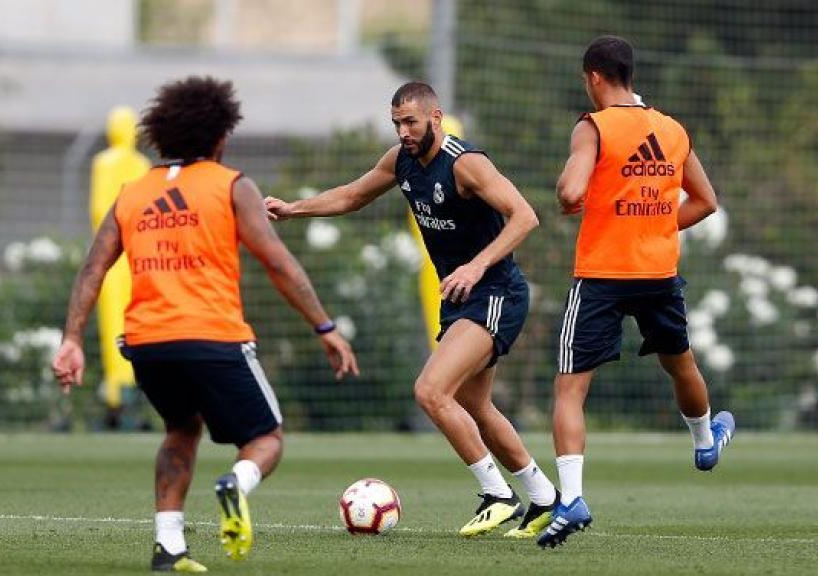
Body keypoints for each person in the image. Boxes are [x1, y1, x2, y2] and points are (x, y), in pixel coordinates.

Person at [51, 76, 358, 572]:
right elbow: (277, 262)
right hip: (214, 338)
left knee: (180, 429)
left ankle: (169, 546)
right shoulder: (231, 186)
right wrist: (325, 328)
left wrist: (71, 339)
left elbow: (93, 268)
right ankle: (235, 484)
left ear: (159, 134)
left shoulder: (132, 194)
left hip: (147, 344)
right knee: (266, 440)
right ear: (220, 135)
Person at [265, 81, 560, 538]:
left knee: (430, 391)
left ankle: (498, 494)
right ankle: (544, 498)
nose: (403, 131)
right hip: (462, 298)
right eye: (397, 123)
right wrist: (293, 209)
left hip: (496, 291)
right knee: (475, 405)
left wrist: (476, 266)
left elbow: (526, 216)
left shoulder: (466, 164)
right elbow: (351, 195)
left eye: (411, 122)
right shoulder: (400, 161)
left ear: (436, 118)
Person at [536, 36, 735, 549]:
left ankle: (573, 497)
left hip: (603, 273)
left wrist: (570, 194)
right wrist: (655, 225)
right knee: (680, 361)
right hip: (656, 271)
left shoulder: (593, 126)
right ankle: (705, 441)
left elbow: (570, 191)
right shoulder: (671, 130)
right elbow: (706, 202)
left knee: (570, 389)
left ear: (595, 77)